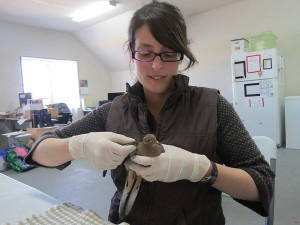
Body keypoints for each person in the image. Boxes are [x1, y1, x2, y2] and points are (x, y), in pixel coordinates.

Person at [25, 1, 275, 224]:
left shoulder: (213, 106)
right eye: (145, 53)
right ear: (131, 52)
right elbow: (40, 151)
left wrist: (201, 169)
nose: (157, 65)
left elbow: (263, 184)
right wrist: (79, 145)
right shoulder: (112, 111)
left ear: (181, 53)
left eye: (169, 53)